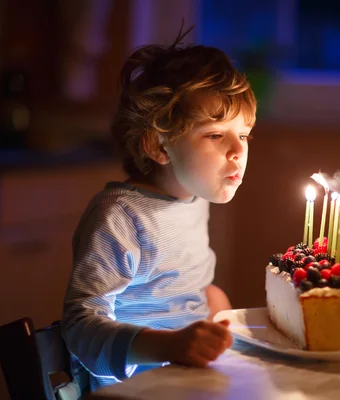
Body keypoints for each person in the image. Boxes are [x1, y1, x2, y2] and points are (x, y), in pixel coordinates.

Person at [60, 26, 257, 391]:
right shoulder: (120, 216)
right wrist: (168, 345)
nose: (238, 150)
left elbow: (174, 287)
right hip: (134, 392)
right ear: (159, 146)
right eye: (215, 134)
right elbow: (79, 327)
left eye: (243, 134)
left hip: (192, 384)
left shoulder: (194, 201)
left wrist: (210, 300)